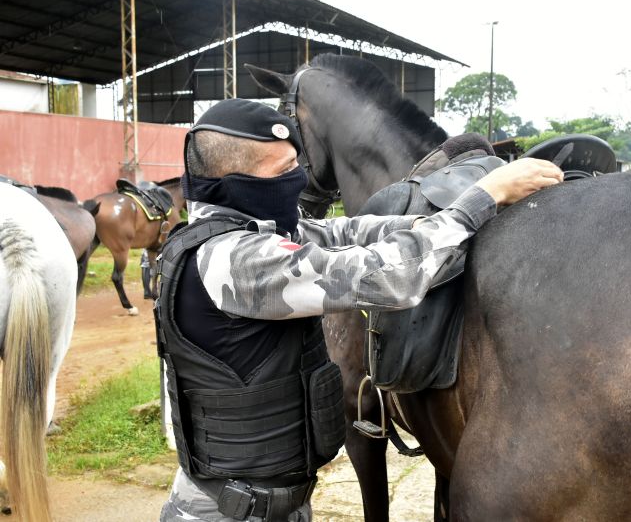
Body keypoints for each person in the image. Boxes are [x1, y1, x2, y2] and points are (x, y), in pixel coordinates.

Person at [156, 98, 563, 522]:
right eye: (281, 174)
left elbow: (344, 231)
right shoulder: (235, 260)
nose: (296, 181)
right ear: (234, 182)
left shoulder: (245, 231)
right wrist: (483, 197)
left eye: (298, 165)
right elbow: (385, 274)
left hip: (269, 502)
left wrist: (430, 219)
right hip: (232, 512)